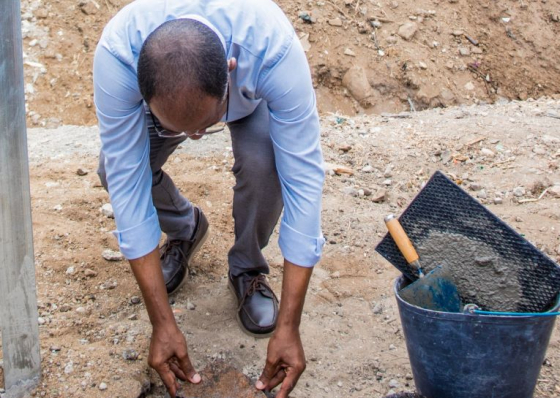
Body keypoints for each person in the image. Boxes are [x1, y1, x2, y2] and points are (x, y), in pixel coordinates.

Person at [93, 0, 325, 396]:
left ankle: (248, 268)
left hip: (252, 102)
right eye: (184, 130)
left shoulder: (271, 46)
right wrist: (161, 324)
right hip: (176, 101)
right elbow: (127, 187)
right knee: (112, 171)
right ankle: (186, 227)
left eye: (205, 125)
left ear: (230, 74)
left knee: (264, 167)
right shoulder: (118, 54)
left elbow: (303, 180)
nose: (195, 137)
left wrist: (290, 326)